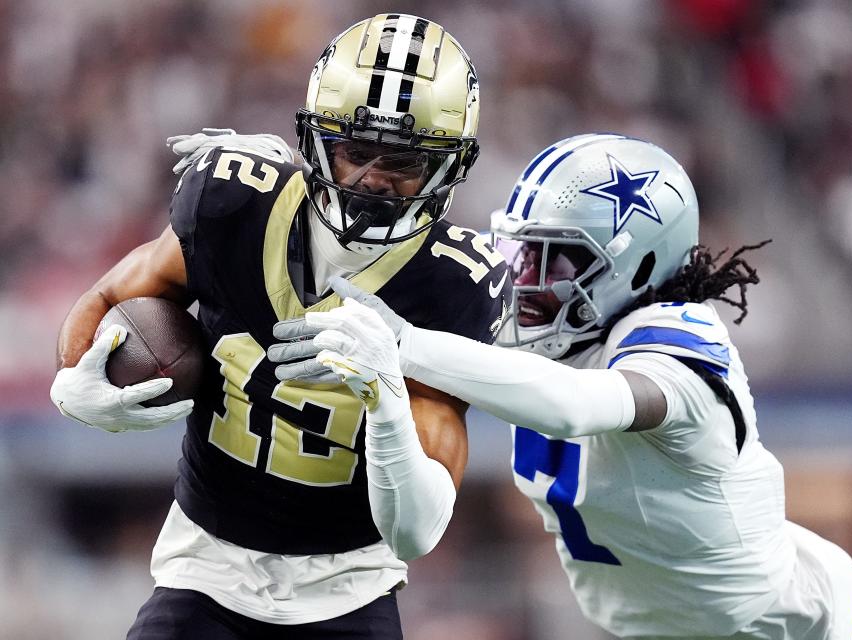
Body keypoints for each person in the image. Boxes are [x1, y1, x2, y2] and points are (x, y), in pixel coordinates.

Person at [289, 134, 852, 640]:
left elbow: (578, 406)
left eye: (557, 260)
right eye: (521, 254)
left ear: (641, 264)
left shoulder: (677, 342)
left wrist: (406, 345)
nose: (525, 281)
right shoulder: (526, 329)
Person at [49, 13, 509, 640]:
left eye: (403, 161)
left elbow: (416, 531)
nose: (373, 178)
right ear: (315, 141)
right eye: (354, 151)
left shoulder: (451, 287)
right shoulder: (232, 204)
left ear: (448, 167)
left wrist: (388, 401)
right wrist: (73, 374)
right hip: (206, 568)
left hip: (347, 590)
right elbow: (109, 295)